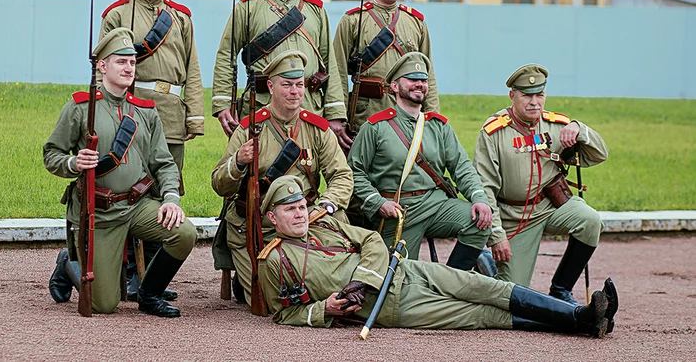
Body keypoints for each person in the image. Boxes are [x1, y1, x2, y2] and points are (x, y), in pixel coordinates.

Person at [257, 175, 618, 338]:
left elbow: (370, 239)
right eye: (290, 210)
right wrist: (327, 310)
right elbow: (283, 313)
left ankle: (581, 315)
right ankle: (583, 322)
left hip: (407, 270)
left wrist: (362, 279)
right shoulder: (274, 261)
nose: (301, 214)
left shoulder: (325, 224)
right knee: (482, 315)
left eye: (302, 206)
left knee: (486, 286)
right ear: (273, 217)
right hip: (392, 307)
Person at [45, 28, 197, 317]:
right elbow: (51, 153)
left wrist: (171, 198)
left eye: (132, 63)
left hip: (138, 204)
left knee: (185, 232)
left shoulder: (146, 111)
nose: (129, 68)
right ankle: (68, 263)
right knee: (103, 304)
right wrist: (73, 163)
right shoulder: (80, 108)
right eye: (121, 62)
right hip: (100, 211)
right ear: (102, 66)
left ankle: (149, 295)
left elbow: (164, 162)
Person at [99, 0, 204, 300]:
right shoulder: (118, 14)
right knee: (130, 190)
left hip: (171, 115)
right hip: (132, 115)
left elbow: (192, 69)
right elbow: (108, 67)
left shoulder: (181, 17)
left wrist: (195, 118)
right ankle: (129, 269)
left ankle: (154, 276)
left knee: (163, 193)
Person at [211, 50, 353, 302]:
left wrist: (323, 207)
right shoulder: (249, 128)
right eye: (286, 85)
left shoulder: (316, 129)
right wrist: (239, 162)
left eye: (299, 85)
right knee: (270, 299)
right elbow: (219, 183)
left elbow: (342, 176)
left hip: (305, 218)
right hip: (259, 223)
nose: (295, 91)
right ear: (271, 86)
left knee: (325, 282)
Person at [474, 64, 609, 305]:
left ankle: (561, 289)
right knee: (514, 296)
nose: (535, 102)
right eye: (527, 95)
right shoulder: (494, 132)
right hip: (514, 217)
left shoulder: (558, 125)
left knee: (590, 221)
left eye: (540, 95)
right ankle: (486, 261)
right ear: (512, 96)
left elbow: (599, 155)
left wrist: (580, 130)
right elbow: (486, 188)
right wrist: (497, 236)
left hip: (551, 208)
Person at [348, 52, 491, 270]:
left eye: (423, 80)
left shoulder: (438, 126)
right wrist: (378, 203)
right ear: (395, 87)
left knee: (478, 224)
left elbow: (462, 167)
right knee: (397, 280)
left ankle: (449, 283)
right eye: (412, 79)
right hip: (397, 212)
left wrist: (479, 198)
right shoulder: (375, 127)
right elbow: (354, 172)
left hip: (435, 204)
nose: (419, 85)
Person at [211, 0, 349, 147]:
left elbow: (328, 61)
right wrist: (222, 103)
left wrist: (335, 111)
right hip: (263, 104)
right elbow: (225, 55)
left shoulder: (315, 10)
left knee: (307, 168)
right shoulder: (248, 7)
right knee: (262, 167)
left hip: (308, 104)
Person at [333, 0, 439, 134]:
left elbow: (428, 74)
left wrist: (432, 117)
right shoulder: (352, 21)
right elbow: (338, 72)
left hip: (408, 113)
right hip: (365, 115)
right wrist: (338, 116)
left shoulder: (416, 22)